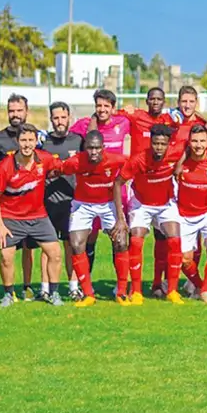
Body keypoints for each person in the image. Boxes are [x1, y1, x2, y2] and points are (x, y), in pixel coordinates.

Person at [0, 124, 64, 307]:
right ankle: (8, 294)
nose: (27, 144)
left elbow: (62, 167)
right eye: (23, 140)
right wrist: (0, 224)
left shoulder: (44, 159)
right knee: (6, 256)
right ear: (17, 141)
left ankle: (54, 294)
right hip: (11, 217)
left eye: (31, 140)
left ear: (35, 141)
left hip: (38, 216)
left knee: (55, 253)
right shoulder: (6, 165)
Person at [113, 124, 186, 304]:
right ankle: (136, 291)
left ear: (169, 144)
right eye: (155, 143)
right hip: (142, 203)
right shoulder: (138, 160)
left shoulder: (175, 152)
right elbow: (117, 183)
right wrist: (121, 218)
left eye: (162, 144)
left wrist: (179, 164)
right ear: (150, 142)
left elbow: (188, 146)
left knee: (175, 239)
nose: (159, 147)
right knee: (136, 240)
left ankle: (172, 291)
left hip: (165, 203)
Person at [59, 131, 129, 307]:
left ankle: (121, 292)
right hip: (83, 204)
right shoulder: (76, 162)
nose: (94, 151)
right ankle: (88, 294)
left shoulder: (116, 160)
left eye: (97, 147)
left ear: (103, 148)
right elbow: (58, 169)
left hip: (108, 204)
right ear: (84, 148)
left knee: (121, 242)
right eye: (90, 148)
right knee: (76, 245)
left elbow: (134, 165)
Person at [71, 89, 132, 282]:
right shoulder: (84, 125)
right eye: (99, 105)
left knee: (119, 238)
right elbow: (65, 137)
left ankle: (120, 286)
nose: (102, 109)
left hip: (116, 192)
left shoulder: (123, 122)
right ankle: (84, 284)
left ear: (113, 108)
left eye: (106, 106)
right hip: (90, 192)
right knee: (89, 238)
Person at [0, 93, 38, 300]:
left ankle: (26, 286)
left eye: (19, 110)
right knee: (7, 247)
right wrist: (4, 180)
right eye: (11, 111)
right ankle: (9, 290)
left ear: (27, 111)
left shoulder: (36, 135)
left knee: (29, 247)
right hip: (7, 203)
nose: (15, 115)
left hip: (31, 202)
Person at [172, 125, 207, 305]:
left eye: (202, 141)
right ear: (189, 143)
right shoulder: (181, 164)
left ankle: (205, 291)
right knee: (184, 259)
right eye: (194, 141)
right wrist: (180, 162)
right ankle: (200, 285)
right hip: (185, 215)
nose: (198, 145)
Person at [39, 102, 84, 302]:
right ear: (51, 119)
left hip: (72, 202)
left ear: (69, 118)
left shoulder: (78, 141)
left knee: (71, 246)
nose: (59, 121)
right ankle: (45, 288)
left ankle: (73, 287)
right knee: (47, 247)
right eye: (56, 118)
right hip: (47, 202)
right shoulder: (44, 143)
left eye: (63, 117)